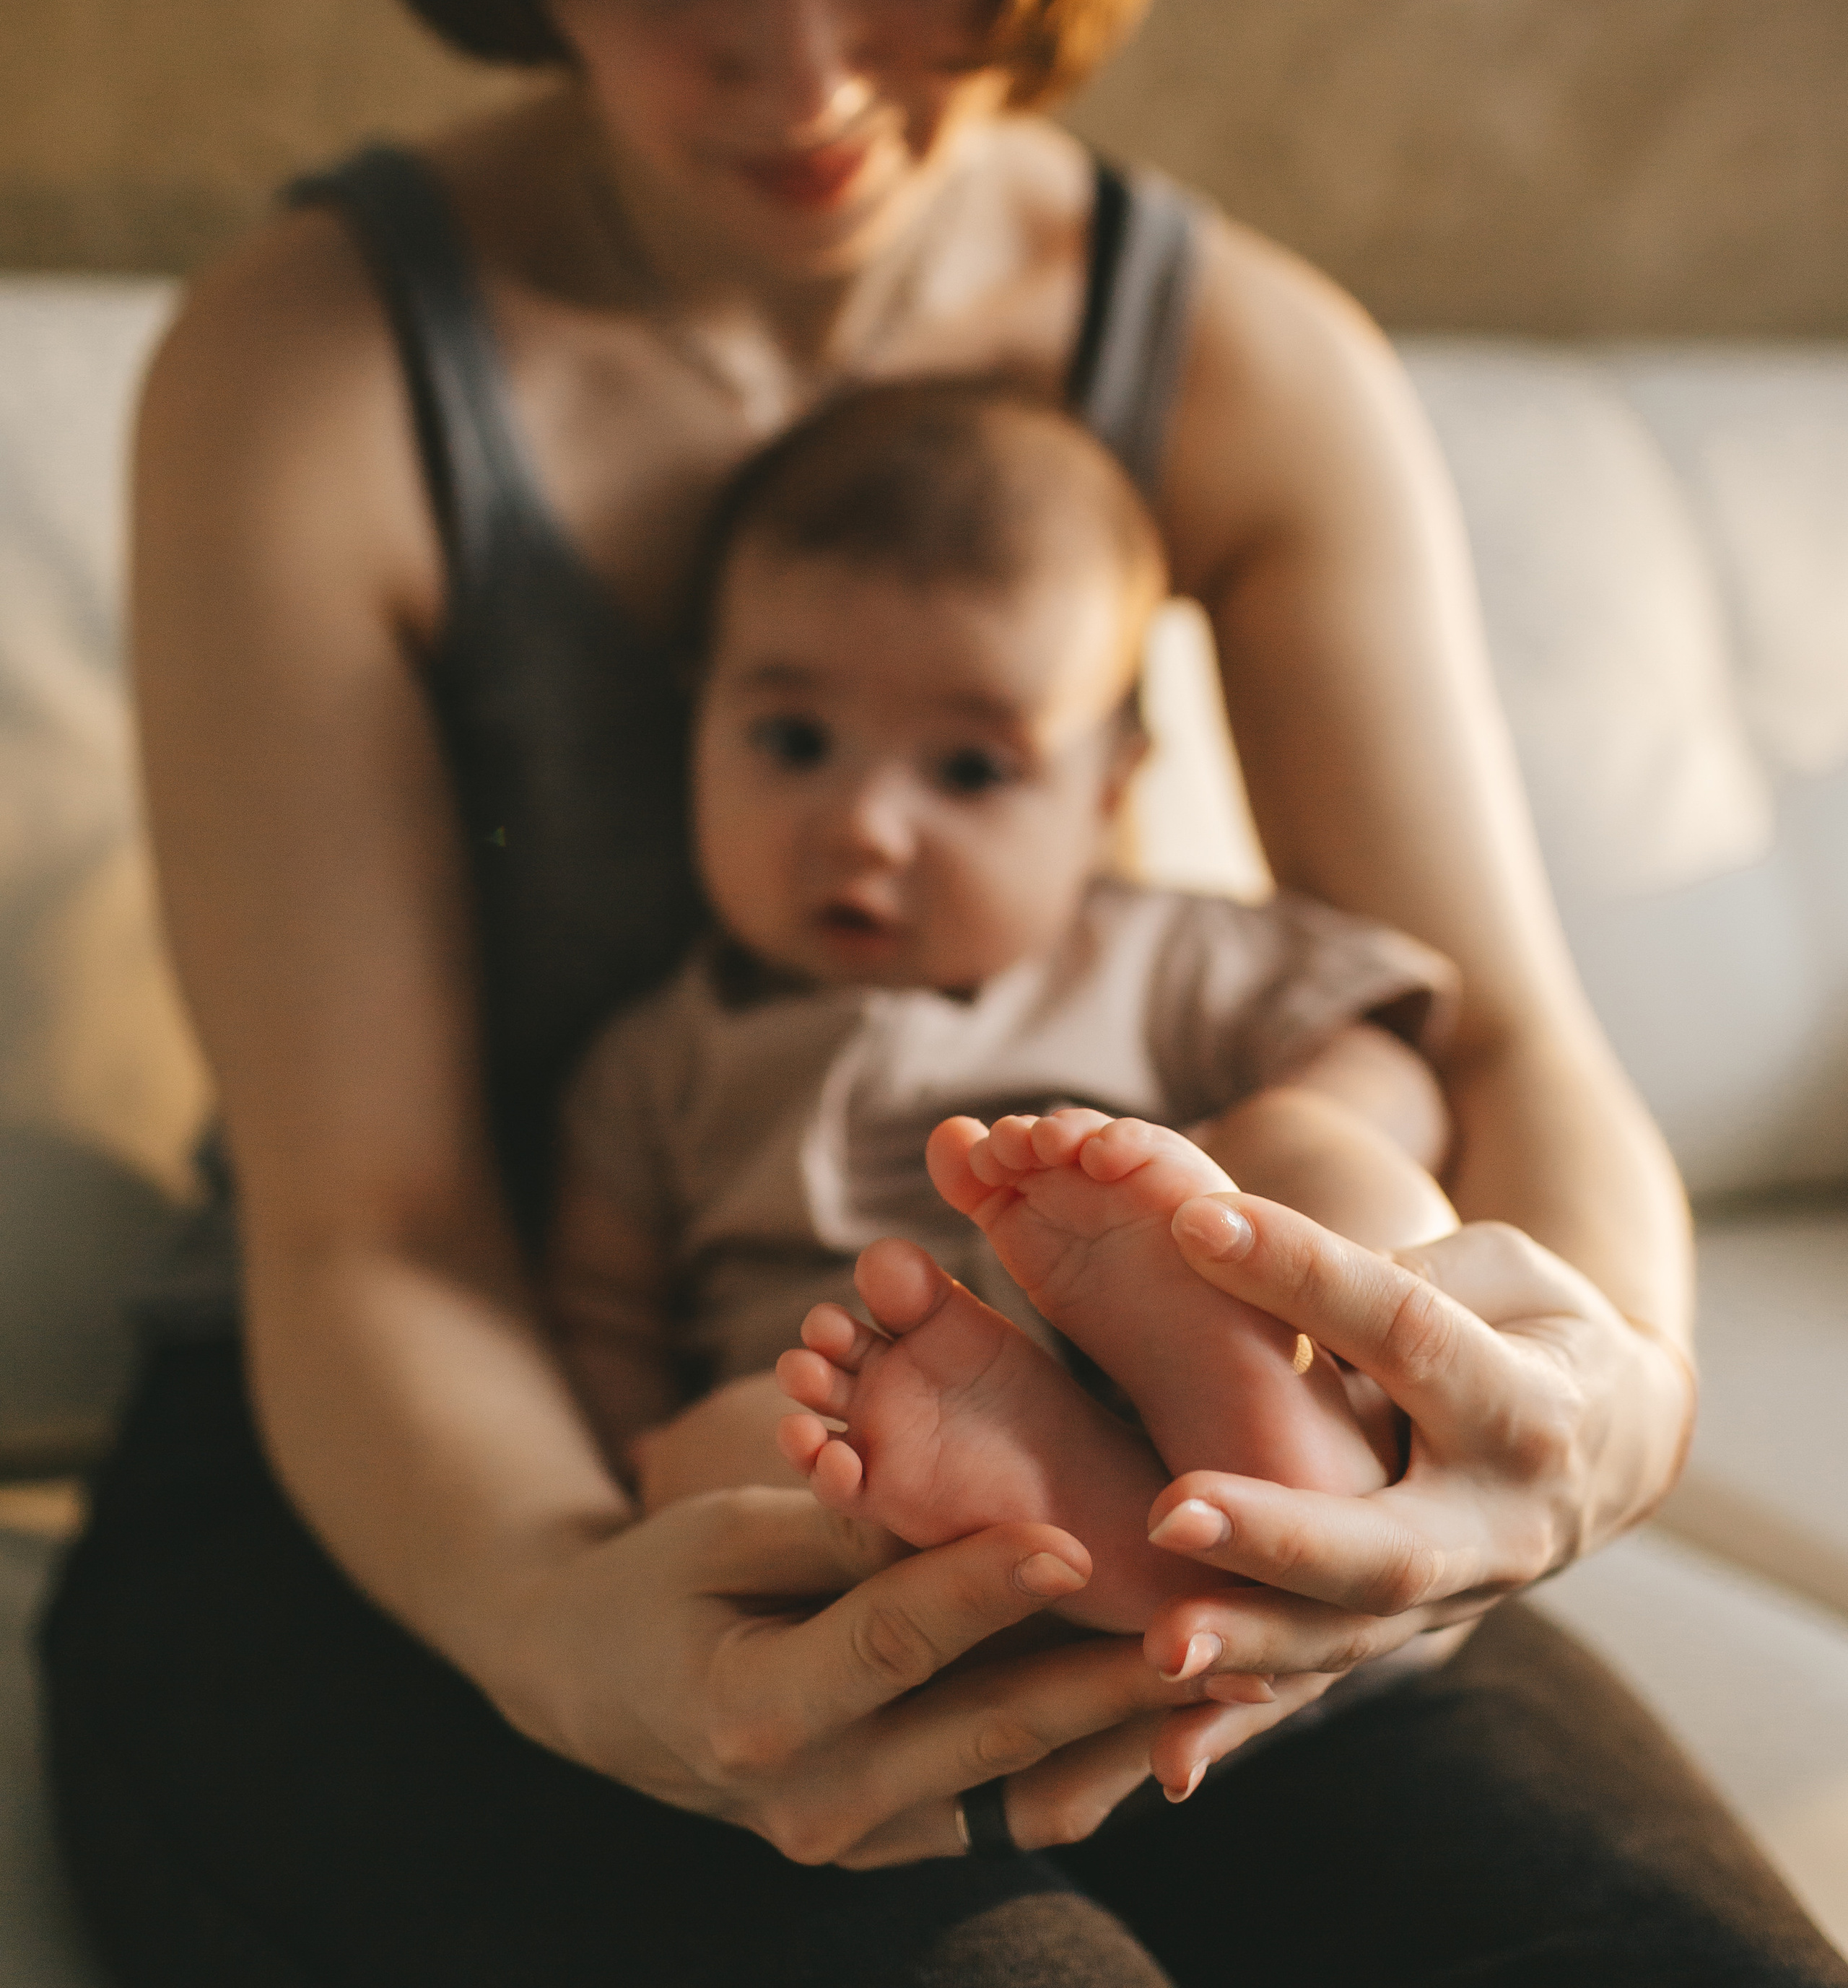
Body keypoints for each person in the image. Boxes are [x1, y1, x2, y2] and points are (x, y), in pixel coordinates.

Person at [38, 0, 1845, 1987]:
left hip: (1112, 1460)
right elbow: (373, 1229)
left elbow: (1511, 1063)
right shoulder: (310, 376)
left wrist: (1593, 1412)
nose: (807, 74)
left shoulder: (1242, 364)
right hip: (408, 1506)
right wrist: (563, 1620)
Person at [550, 374, 1463, 1634]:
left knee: (1327, 1167)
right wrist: (628, 1462)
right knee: (704, 1458)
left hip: (1147, 1360)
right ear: (699, 720)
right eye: (795, 742)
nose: (866, 826)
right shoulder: (661, 1060)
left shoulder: (1167, 956)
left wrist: (1243, 1175)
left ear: (1106, 796)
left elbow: (1403, 1077)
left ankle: (1266, 1456)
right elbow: (602, 1314)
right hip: (867, 1456)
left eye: (970, 769)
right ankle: (1092, 1536)